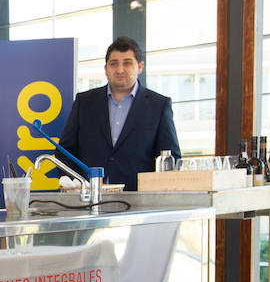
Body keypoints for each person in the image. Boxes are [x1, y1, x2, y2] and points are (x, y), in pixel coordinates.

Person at [58, 36, 180, 190]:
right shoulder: (84, 102)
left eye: (127, 63)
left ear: (140, 66)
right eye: (114, 64)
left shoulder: (159, 105)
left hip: (139, 202)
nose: (120, 69)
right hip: (89, 199)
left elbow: (171, 158)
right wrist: (76, 184)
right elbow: (64, 151)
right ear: (106, 68)